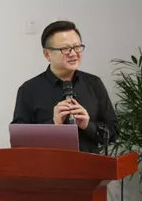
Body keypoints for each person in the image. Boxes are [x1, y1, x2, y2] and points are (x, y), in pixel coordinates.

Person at [11, 20, 119, 153]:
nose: (73, 53)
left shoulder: (94, 83)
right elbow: (19, 142)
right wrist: (53, 124)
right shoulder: (29, 90)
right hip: (47, 165)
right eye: (65, 49)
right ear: (47, 54)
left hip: (89, 165)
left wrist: (87, 125)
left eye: (77, 47)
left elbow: (113, 132)